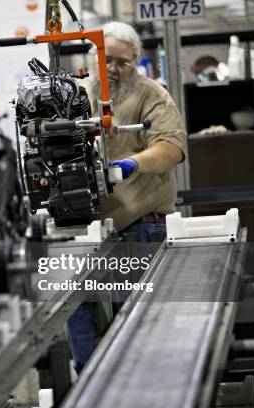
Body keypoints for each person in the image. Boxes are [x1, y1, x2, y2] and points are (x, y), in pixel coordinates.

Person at [67, 21, 188, 374]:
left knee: (137, 335)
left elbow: (171, 149)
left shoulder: (152, 94)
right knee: (81, 323)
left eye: (123, 62)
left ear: (137, 61)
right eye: (105, 61)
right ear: (92, 59)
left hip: (140, 230)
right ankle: (91, 387)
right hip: (86, 235)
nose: (113, 70)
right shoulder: (74, 96)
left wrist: (132, 163)